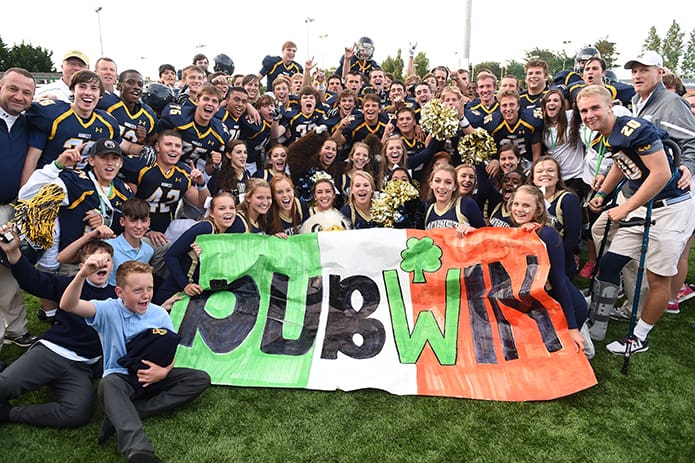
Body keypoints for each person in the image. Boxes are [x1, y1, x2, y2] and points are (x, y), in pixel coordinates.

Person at [578, 84, 695, 354]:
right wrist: (602, 192)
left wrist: (624, 208)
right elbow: (623, 163)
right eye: (584, 110)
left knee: (658, 278)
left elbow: (661, 173)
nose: (589, 114)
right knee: (609, 263)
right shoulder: (607, 134)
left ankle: (640, 336)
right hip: (644, 205)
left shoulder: (633, 127)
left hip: (669, 208)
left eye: (595, 107)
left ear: (610, 107)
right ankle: (599, 321)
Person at [60, 259, 211, 462]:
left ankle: (123, 413)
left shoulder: (159, 313)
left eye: (150, 288)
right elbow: (68, 304)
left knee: (200, 378)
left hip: (154, 376)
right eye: (138, 290)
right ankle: (139, 452)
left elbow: (171, 348)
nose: (146, 295)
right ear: (120, 293)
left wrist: (164, 371)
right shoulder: (107, 310)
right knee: (108, 383)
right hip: (122, 378)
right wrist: (82, 274)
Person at [0, 236, 114, 427]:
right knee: (4, 387)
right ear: (81, 265)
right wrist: (13, 252)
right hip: (52, 352)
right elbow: (32, 280)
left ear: (112, 265)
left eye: (106, 260)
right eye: (94, 261)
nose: (100, 265)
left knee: (77, 413)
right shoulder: (66, 284)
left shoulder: (118, 295)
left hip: (81, 366)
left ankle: (7, 414)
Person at [624, 50, 695, 316]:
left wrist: (687, 165)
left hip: (679, 185)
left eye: (644, 69)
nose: (638, 75)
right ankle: (654, 298)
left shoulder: (672, 102)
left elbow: (691, 140)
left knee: (676, 252)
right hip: (650, 183)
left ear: (660, 72)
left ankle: (669, 299)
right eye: (634, 70)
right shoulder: (636, 100)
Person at [503, 185, 591, 356]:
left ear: (538, 209)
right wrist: (467, 233)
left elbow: (559, 280)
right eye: (516, 204)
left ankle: (582, 334)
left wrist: (572, 327)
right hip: (538, 306)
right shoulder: (510, 230)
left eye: (526, 206)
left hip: (565, 305)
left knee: (569, 355)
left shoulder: (548, 235)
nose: (519, 209)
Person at [22, 70, 145, 185]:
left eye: (94, 88)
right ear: (72, 90)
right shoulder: (52, 114)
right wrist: (24, 195)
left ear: (100, 95)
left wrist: (145, 150)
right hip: (49, 182)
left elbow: (126, 146)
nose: (88, 92)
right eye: (82, 86)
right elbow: (32, 158)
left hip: (82, 186)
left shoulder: (107, 122)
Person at [0, 68, 38, 348]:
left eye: (26, 92)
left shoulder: (29, 122)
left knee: (11, 268)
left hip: (14, 207)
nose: (19, 96)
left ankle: (16, 329)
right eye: (13, 89)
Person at [155, 191, 245, 304]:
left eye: (231, 208)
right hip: (175, 293)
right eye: (222, 208)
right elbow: (171, 255)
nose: (228, 212)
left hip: (199, 296)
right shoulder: (205, 228)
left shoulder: (229, 234)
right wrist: (185, 285)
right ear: (211, 213)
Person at [57, 198, 154, 287]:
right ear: (122, 222)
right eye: (133, 221)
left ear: (149, 222)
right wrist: (90, 236)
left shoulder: (148, 250)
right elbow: (62, 258)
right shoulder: (108, 246)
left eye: (144, 221)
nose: (139, 226)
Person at [529, 156, 583, 281]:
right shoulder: (527, 198)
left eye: (550, 170)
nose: (545, 174)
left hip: (559, 261)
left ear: (558, 177)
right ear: (533, 178)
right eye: (539, 171)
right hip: (532, 260)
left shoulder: (568, 199)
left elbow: (572, 241)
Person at [104, 70, 157, 146]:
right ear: (119, 86)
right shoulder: (107, 102)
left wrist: (142, 141)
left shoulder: (149, 115)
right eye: (130, 82)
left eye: (140, 84)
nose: (136, 87)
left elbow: (151, 145)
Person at [424, 164, 485, 230]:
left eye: (448, 182)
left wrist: (473, 230)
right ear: (431, 184)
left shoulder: (466, 204)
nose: (442, 186)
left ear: (455, 186)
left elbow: (486, 234)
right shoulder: (428, 209)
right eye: (437, 181)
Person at [207, 139, 251, 204]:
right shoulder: (220, 175)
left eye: (245, 152)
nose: (243, 156)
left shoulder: (247, 175)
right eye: (238, 152)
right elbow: (208, 200)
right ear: (229, 155)